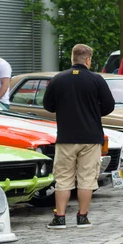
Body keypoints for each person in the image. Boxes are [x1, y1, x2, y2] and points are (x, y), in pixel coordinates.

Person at [43, 44, 115, 229]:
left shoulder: (58, 79)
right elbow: (109, 105)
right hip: (91, 137)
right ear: (88, 60)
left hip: (66, 136)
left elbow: (48, 105)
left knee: (63, 178)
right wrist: (93, 111)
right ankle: (82, 217)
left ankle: (59, 217)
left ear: (72, 58)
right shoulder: (96, 79)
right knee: (87, 178)